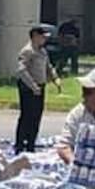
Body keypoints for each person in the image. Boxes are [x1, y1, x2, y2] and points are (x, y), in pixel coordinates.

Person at [15, 25, 63, 154]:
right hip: (28, 87)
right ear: (35, 36)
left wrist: (55, 79)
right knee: (27, 116)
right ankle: (20, 144)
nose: (44, 40)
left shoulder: (42, 51)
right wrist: (33, 86)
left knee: (37, 115)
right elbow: (21, 70)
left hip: (40, 86)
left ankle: (31, 143)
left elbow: (48, 67)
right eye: (42, 37)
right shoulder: (27, 51)